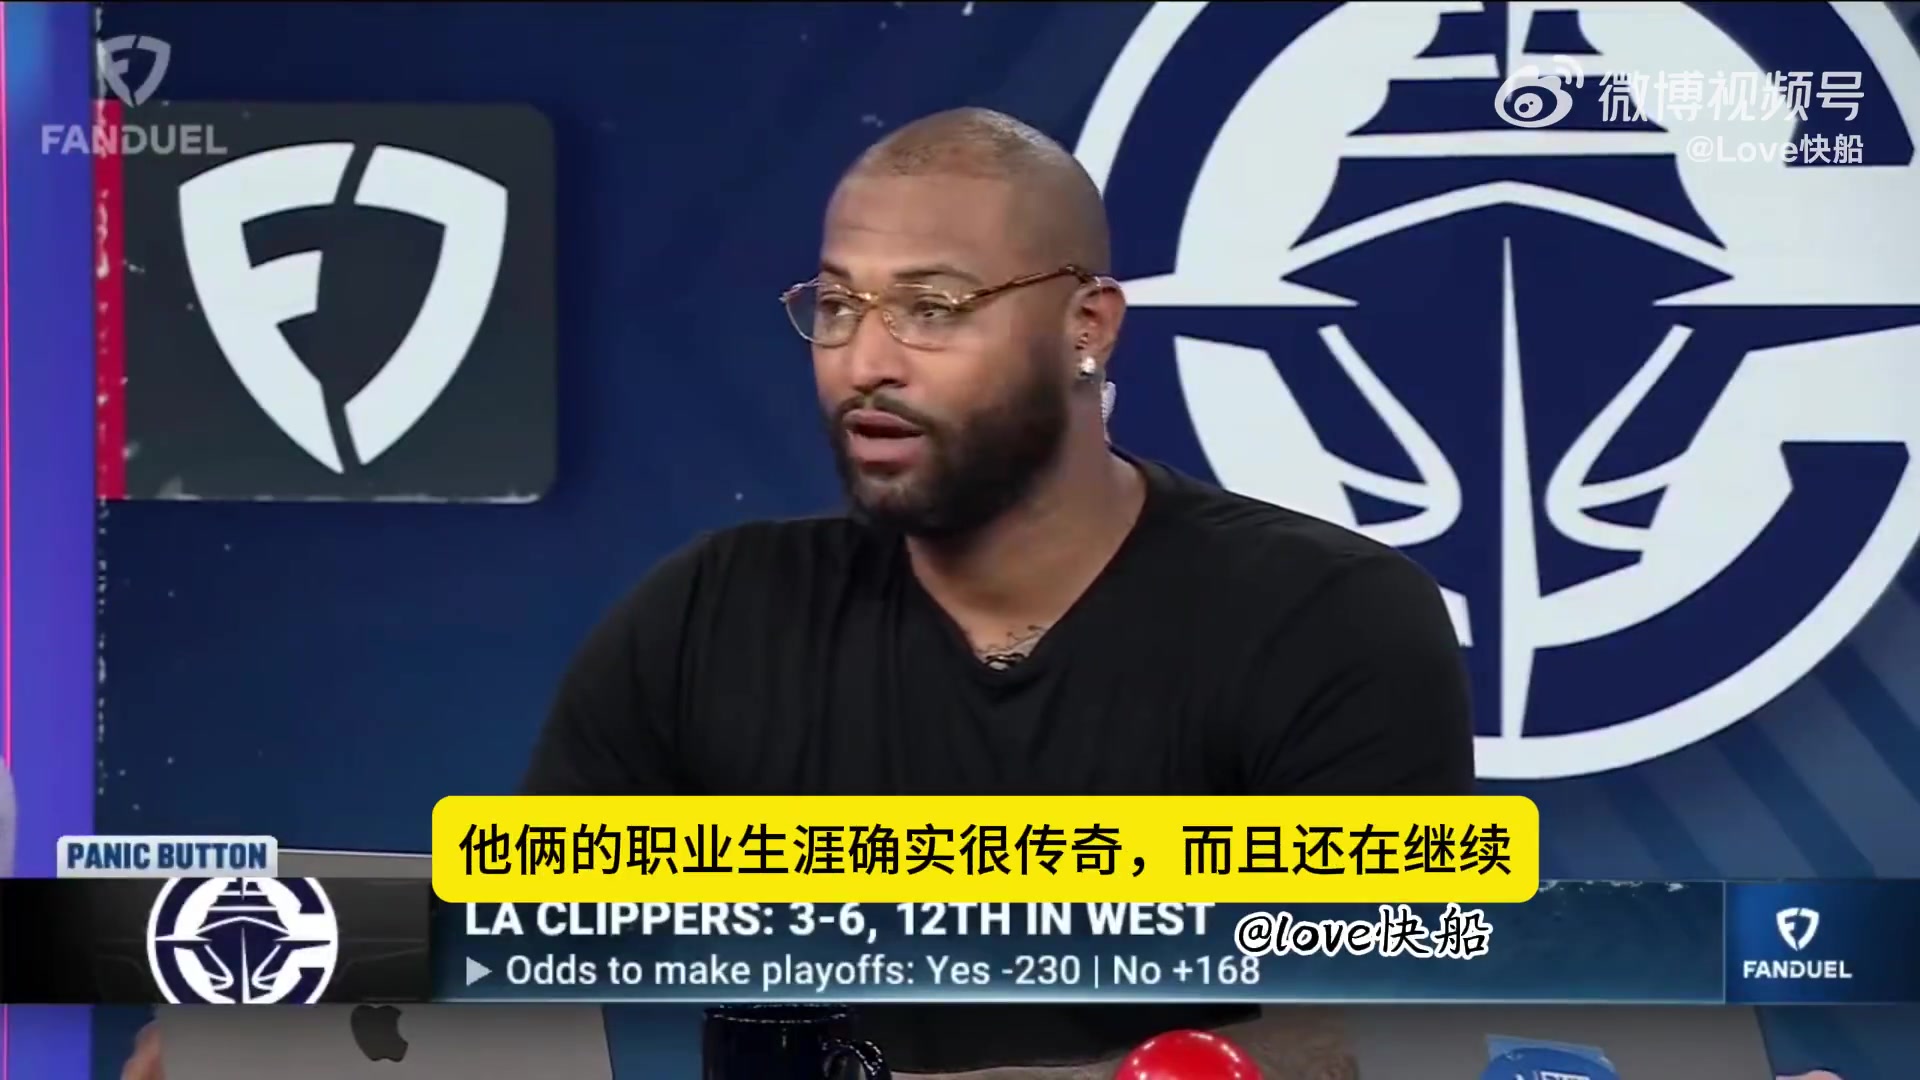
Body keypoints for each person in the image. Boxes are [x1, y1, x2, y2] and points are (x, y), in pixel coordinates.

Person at [123, 108, 1472, 1080]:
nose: (864, 359)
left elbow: (1384, 1032)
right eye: (835, 306)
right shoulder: (713, 613)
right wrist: (293, 1026)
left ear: (1087, 328)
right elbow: (512, 943)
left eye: (933, 306)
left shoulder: (1328, 619)